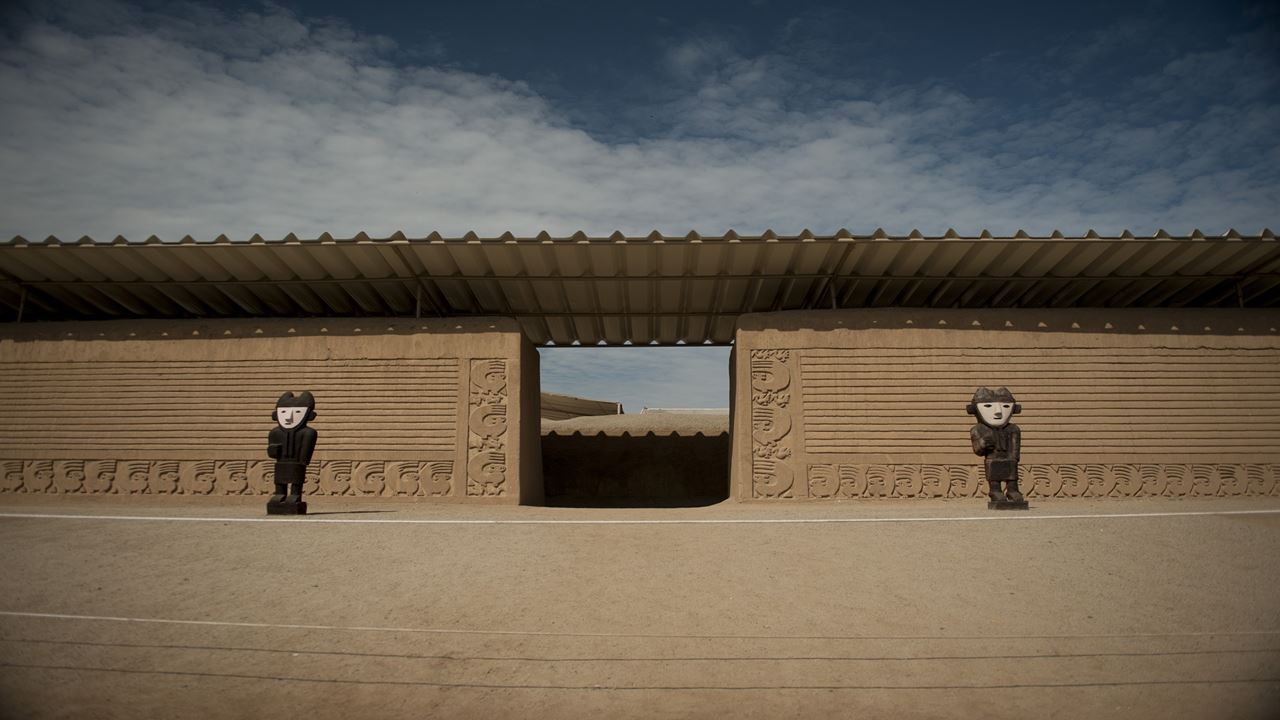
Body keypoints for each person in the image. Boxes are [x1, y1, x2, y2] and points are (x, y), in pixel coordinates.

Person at [967, 386, 1023, 504]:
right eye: (988, 406)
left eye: (1005, 406)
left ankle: (1012, 490)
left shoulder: (1013, 429)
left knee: (1012, 475)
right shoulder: (978, 429)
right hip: (992, 459)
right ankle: (995, 491)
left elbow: (1015, 447)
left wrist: (1014, 458)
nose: (998, 411)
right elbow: (977, 450)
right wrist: (983, 444)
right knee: (994, 476)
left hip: (1009, 459)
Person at [268, 391, 317, 513]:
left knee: (296, 482)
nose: (290, 418)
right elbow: (272, 452)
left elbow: (306, 451)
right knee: (280, 482)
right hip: (281, 463)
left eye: (298, 412)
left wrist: (303, 461)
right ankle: (280, 495)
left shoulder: (308, 433)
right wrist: (273, 450)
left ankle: (295, 496)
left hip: (297, 463)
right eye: (284, 412)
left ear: (309, 415)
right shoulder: (275, 432)